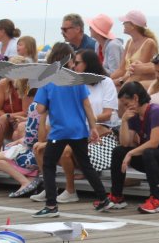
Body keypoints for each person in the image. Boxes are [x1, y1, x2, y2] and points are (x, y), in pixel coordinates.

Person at [31, 57, 110, 218]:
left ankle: (51, 205)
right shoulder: (76, 80)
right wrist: (93, 127)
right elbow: (87, 105)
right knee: (85, 164)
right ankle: (103, 198)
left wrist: (46, 105)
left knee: (48, 165)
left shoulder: (47, 81)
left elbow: (40, 109)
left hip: (59, 131)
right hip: (79, 130)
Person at [106, 82, 159, 215]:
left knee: (149, 152)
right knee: (118, 151)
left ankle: (156, 200)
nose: (126, 108)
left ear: (136, 98)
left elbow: (154, 142)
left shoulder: (156, 111)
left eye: (126, 104)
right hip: (153, 159)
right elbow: (125, 143)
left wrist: (131, 153)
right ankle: (116, 197)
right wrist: (124, 121)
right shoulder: (134, 115)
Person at [110, 11, 158, 86]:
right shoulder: (129, 42)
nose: (123, 24)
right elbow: (121, 69)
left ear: (133, 26)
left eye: (125, 22)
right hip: (127, 80)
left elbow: (137, 71)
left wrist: (120, 81)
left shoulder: (148, 43)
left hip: (137, 83)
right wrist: (106, 80)